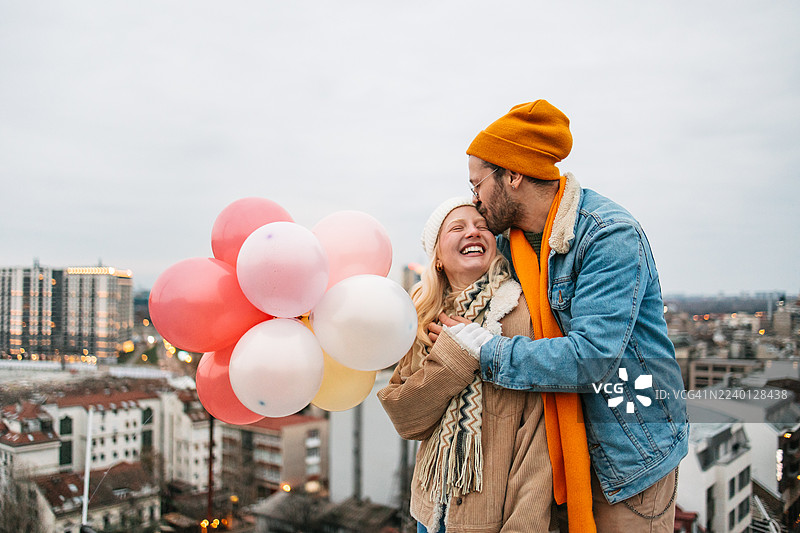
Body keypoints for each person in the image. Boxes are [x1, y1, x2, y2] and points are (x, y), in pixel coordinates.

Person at [432, 100, 689, 532]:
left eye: (478, 183)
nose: (474, 198)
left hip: (627, 456)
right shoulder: (510, 244)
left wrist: (487, 351)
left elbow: (591, 358)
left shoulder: (608, 235)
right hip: (549, 460)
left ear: (513, 175)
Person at [378, 198, 594, 532]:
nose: (473, 232)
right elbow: (407, 420)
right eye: (458, 227)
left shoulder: (521, 312)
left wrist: (523, 526)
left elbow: (538, 441)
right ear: (437, 256)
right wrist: (456, 354)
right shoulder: (422, 317)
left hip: (491, 520)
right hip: (430, 512)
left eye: (482, 226)